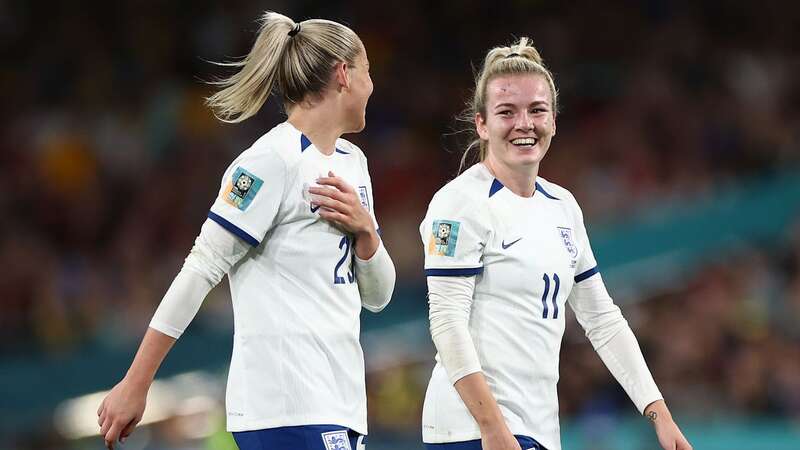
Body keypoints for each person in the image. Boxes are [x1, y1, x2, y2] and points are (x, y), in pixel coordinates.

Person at [97, 11, 395, 450]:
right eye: (367, 71)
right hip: (284, 404)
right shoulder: (270, 161)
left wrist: (367, 233)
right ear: (343, 75)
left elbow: (378, 297)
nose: (372, 85)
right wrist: (136, 382)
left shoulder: (354, 165)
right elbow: (201, 268)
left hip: (341, 402)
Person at [419, 38, 692, 450]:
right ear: (481, 124)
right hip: (471, 430)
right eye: (506, 112)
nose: (523, 123)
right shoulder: (460, 203)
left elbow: (602, 319)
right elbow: (446, 321)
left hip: (539, 428)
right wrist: (494, 429)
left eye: (537, 110)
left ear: (554, 120)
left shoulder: (562, 206)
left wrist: (659, 413)